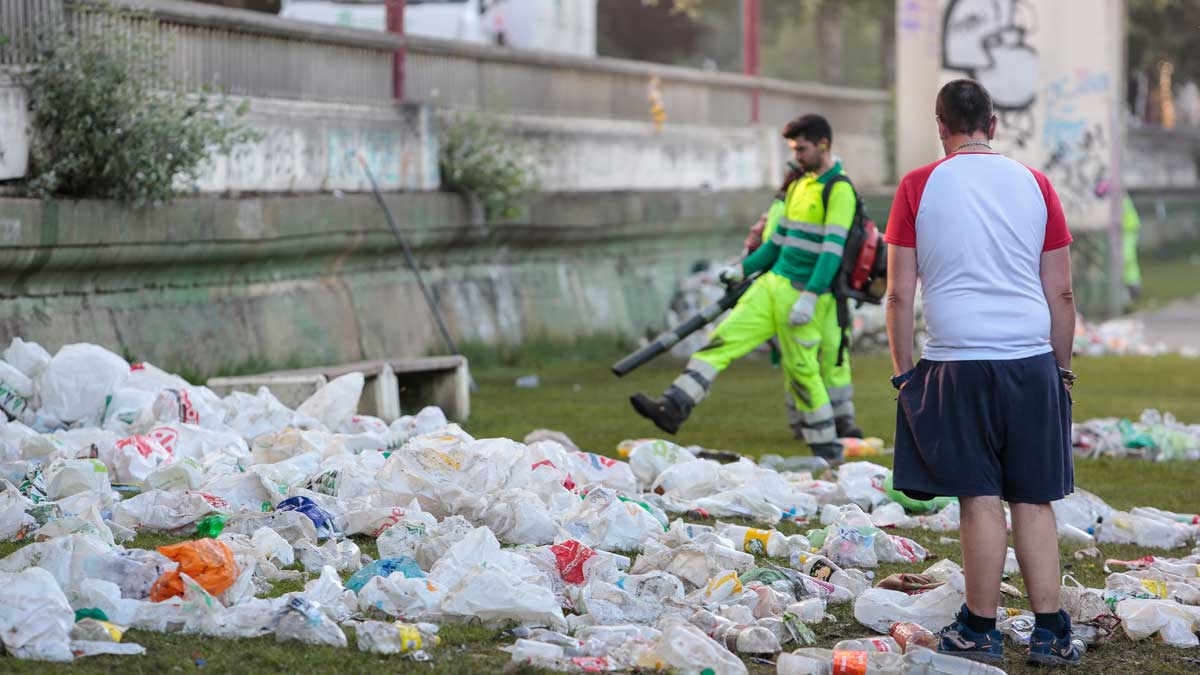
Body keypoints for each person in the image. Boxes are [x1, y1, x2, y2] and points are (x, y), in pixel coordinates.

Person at [884, 79, 1080, 667]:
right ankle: (1051, 632)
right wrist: (1061, 372)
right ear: (993, 125)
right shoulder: (1035, 183)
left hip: (954, 361)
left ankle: (980, 628)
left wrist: (904, 375)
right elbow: (1062, 292)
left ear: (940, 125)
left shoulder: (918, 185)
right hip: (1029, 358)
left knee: (979, 498)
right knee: (1035, 498)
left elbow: (898, 295)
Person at [631, 114, 862, 463]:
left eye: (802, 148)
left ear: (823, 145)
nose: (797, 155)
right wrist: (741, 269)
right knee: (720, 343)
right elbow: (777, 244)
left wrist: (810, 296)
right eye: (794, 149)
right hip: (770, 287)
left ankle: (828, 452)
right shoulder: (799, 186)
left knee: (803, 371)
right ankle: (673, 407)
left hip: (801, 295)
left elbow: (831, 253)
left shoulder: (839, 190)